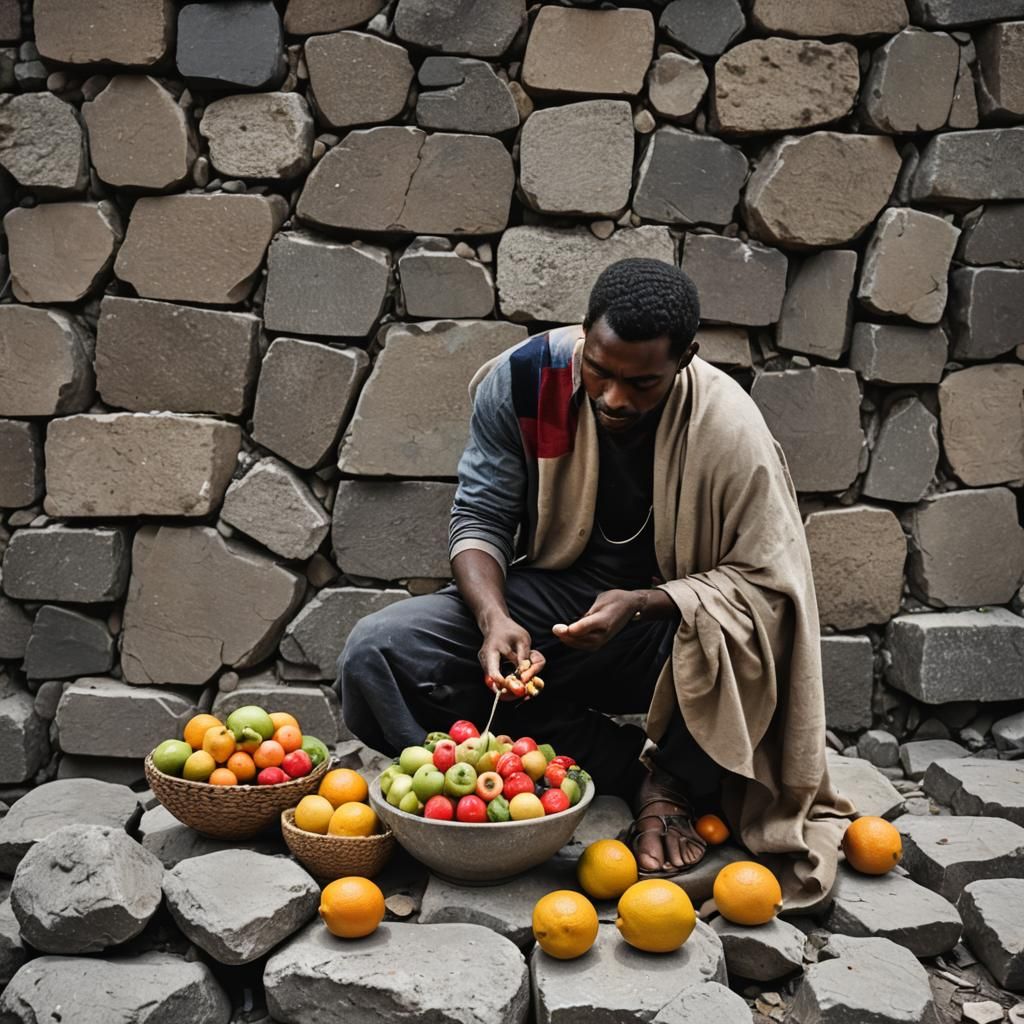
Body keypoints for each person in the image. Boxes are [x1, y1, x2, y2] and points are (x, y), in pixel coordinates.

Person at [338, 257, 853, 908]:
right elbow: (480, 514)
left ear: (686, 358)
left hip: (669, 636)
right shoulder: (534, 381)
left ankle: (670, 780)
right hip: (550, 609)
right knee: (376, 655)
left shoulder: (728, 430)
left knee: (743, 640)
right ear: (582, 333)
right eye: (600, 371)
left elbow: (772, 589)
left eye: (640, 384)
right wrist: (496, 619)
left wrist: (645, 603)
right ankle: (596, 769)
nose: (613, 397)